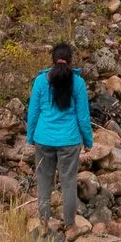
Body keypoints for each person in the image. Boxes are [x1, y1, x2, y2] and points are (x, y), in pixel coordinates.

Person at [24, 41, 91, 229]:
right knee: (68, 183)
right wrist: (88, 140)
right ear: (70, 60)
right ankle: (70, 225)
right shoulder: (78, 82)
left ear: (52, 60)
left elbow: (33, 112)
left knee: (44, 183)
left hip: (43, 139)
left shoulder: (40, 81)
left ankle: (44, 225)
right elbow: (83, 116)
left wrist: (30, 137)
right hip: (69, 141)